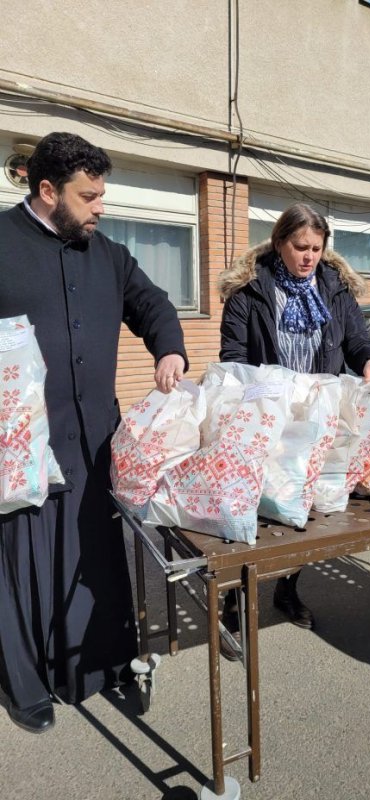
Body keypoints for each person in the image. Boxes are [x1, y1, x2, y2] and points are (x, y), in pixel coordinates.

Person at [0, 132, 187, 733]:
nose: (100, 207)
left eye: (102, 194)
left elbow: (153, 304)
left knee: (94, 559)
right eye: (89, 196)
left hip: (94, 443)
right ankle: (25, 684)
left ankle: (100, 665)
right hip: (22, 449)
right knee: (23, 564)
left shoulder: (109, 254)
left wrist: (169, 349)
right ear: (47, 191)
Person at [218, 202, 370, 659]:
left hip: (316, 417)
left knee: (303, 509)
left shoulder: (334, 289)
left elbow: (357, 339)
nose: (309, 256)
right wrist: (259, 397)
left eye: (316, 247)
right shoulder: (249, 290)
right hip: (265, 415)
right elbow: (233, 356)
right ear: (279, 243)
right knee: (253, 511)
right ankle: (235, 601)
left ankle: (287, 588)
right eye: (300, 247)